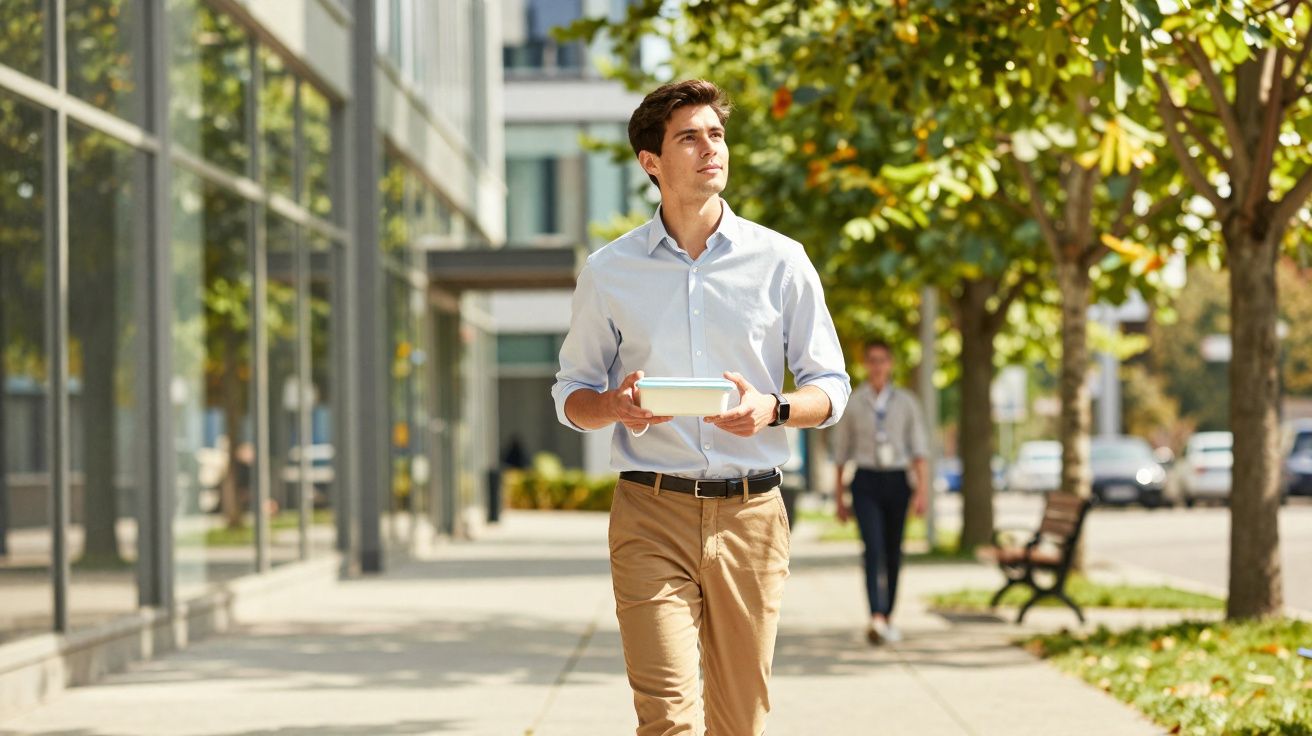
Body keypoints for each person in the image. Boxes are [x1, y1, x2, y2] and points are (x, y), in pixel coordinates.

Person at [551, 79, 850, 736]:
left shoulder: (781, 261)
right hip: (650, 512)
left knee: (740, 722)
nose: (710, 148)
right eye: (689, 137)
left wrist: (772, 409)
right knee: (667, 718)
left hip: (751, 515)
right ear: (651, 162)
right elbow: (571, 394)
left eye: (716, 134)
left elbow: (830, 386)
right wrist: (614, 405)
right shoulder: (609, 271)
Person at [831, 339, 930, 645]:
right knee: (872, 548)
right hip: (865, 482)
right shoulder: (854, 403)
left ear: (890, 364)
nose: (877, 366)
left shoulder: (907, 403)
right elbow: (840, 454)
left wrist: (922, 492)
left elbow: (919, 451)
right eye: (872, 360)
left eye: (882, 360)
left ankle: (888, 617)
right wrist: (839, 498)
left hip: (898, 481)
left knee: (893, 551)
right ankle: (875, 615)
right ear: (865, 364)